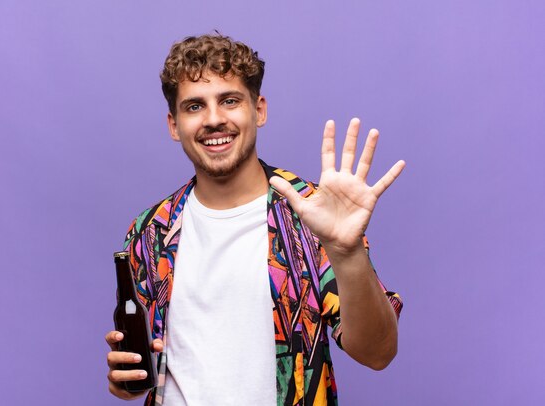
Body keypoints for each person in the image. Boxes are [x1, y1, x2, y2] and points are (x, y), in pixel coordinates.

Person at [105, 33, 405, 406]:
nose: (214, 119)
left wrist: (347, 253)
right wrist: (127, 378)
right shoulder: (150, 233)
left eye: (229, 101)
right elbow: (151, 365)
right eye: (195, 106)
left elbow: (378, 353)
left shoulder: (311, 215)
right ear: (174, 124)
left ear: (258, 110)